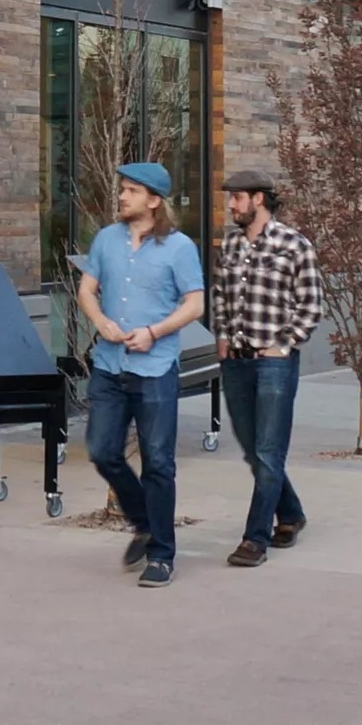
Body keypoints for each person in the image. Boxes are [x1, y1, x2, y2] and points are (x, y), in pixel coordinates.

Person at [77, 160, 205, 586]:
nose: (122, 196)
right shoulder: (106, 240)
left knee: (158, 463)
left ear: (153, 201)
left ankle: (162, 555)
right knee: (101, 450)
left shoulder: (180, 247)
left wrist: (154, 332)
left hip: (154, 369)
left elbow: (194, 304)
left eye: (131, 190)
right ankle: (145, 520)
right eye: (122, 189)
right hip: (109, 366)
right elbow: (86, 290)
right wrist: (100, 322)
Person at [212, 167, 321, 567]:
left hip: (274, 363)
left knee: (268, 450)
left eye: (237, 198)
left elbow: (311, 305)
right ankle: (290, 513)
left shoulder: (294, 244)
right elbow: (220, 296)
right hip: (236, 363)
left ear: (258, 198)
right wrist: (221, 335)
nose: (232, 205)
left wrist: (284, 343)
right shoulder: (231, 246)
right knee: (253, 450)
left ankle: (254, 539)